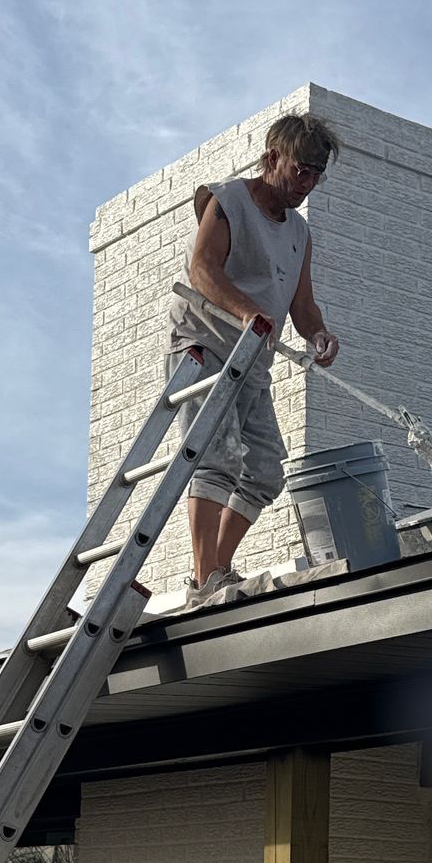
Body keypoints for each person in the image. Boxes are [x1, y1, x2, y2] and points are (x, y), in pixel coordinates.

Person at [166, 112, 342, 606]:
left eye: (316, 175)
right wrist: (247, 312)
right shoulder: (230, 200)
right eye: (300, 170)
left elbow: (303, 306)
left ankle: (214, 570)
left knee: (264, 468)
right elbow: (202, 268)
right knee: (215, 455)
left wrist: (320, 335)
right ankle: (206, 579)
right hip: (205, 342)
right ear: (271, 159)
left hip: (253, 360)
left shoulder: (299, 233)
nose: (307, 183)